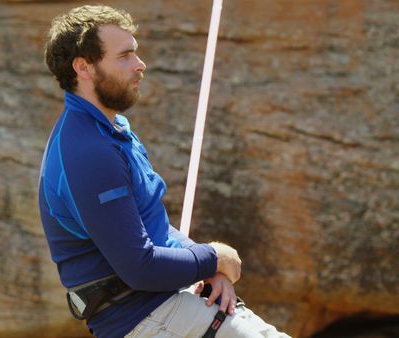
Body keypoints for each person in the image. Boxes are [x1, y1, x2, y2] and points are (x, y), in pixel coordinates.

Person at [39, 5, 290, 338]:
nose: (140, 65)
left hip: (163, 306)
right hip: (146, 319)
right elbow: (140, 267)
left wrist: (208, 267)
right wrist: (216, 256)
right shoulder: (88, 152)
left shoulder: (111, 130)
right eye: (125, 56)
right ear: (84, 67)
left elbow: (152, 227)